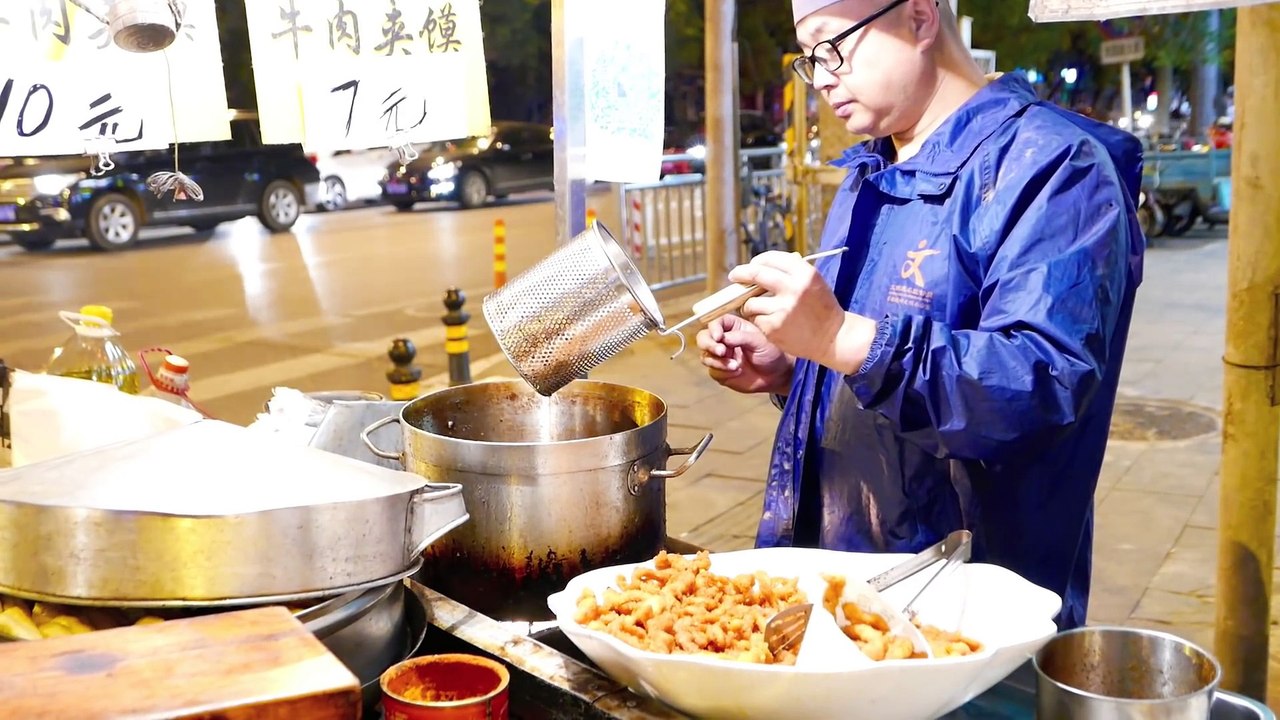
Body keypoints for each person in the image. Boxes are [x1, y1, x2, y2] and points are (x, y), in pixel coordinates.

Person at [696, 0, 1144, 630]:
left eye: (832, 45)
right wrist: (798, 367)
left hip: (961, 609)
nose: (821, 76)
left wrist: (840, 336)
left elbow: (1040, 386)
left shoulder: (1054, 169)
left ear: (920, 18)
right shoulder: (872, 170)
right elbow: (865, 353)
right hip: (834, 577)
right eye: (808, 57)